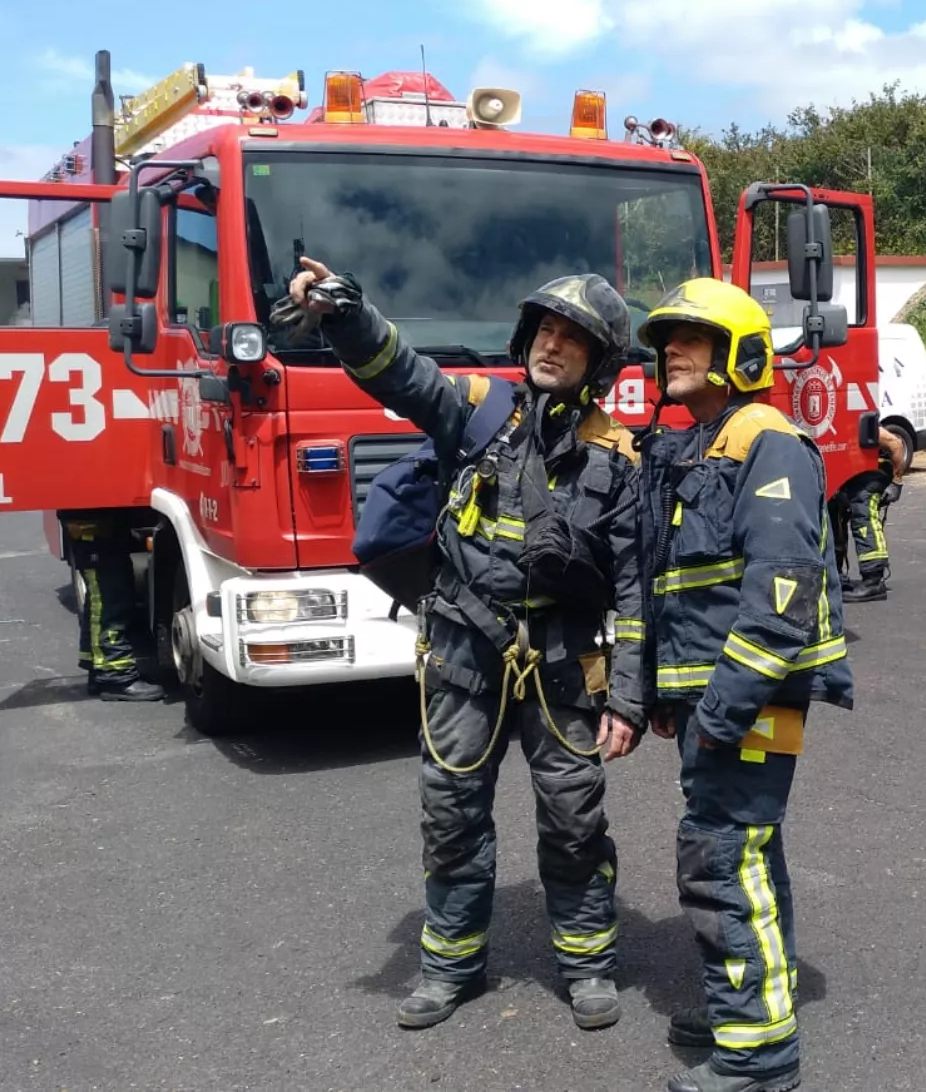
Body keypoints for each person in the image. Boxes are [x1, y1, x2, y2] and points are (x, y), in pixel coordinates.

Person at [274, 259, 648, 1033]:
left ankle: (587, 965)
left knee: (574, 819)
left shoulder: (618, 457)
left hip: (564, 666)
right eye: (544, 329)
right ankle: (450, 965)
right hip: (462, 656)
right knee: (449, 814)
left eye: (571, 338)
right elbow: (402, 375)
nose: (552, 344)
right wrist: (348, 314)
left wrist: (631, 701)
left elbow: (639, 591)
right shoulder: (478, 411)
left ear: (598, 362)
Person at [631, 277, 854, 1092]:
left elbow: (781, 597)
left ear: (741, 353)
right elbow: (683, 588)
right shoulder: (705, 441)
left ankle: (760, 1056)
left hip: (753, 700)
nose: (670, 352)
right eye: (665, 340)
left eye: (690, 337)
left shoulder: (768, 441)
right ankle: (754, 999)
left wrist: (721, 711)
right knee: (751, 853)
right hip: (715, 700)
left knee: (724, 856)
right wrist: (670, 697)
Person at [63, 509, 164, 702]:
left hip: (96, 523)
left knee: (100, 599)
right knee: (109, 600)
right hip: (93, 524)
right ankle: (116, 677)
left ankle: (99, 669)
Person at [829, 425, 905, 602]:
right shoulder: (831, 429)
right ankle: (835, 574)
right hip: (850, 477)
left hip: (874, 475)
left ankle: (873, 580)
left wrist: (896, 482)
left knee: (862, 509)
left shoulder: (863, 425)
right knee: (832, 511)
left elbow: (897, 445)